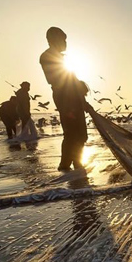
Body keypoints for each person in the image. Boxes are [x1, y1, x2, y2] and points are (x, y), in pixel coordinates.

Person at [39, 27, 92, 171]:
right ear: (54, 39)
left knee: (80, 133)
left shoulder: (59, 57)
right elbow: (56, 79)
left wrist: (82, 97)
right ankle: (66, 165)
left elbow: (70, 78)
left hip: (73, 97)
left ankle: (75, 163)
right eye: (63, 39)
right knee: (72, 133)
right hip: (66, 98)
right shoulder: (48, 56)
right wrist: (77, 85)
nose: (65, 42)